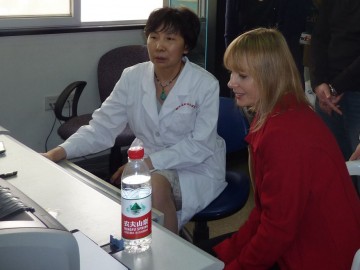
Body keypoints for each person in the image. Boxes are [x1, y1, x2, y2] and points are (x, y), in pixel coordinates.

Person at [43, 7, 226, 234]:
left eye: (170, 38)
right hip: (147, 160)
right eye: (153, 37)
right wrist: (57, 153)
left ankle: (170, 256)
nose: (159, 46)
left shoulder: (205, 84)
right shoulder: (132, 77)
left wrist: (145, 164)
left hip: (196, 166)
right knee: (142, 192)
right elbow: (101, 127)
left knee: (154, 185)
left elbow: (200, 145)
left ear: (186, 46)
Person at [203, 28, 360, 270]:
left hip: (320, 256)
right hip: (302, 239)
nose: (231, 82)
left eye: (242, 75)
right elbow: (266, 212)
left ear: (270, 77)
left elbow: (276, 231)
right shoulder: (278, 112)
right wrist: (222, 255)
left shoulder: (283, 135)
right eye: (232, 72)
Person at [310, 0, 360, 161]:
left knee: (356, 164)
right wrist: (319, 82)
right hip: (326, 93)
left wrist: (335, 87)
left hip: (352, 93)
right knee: (330, 161)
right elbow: (319, 38)